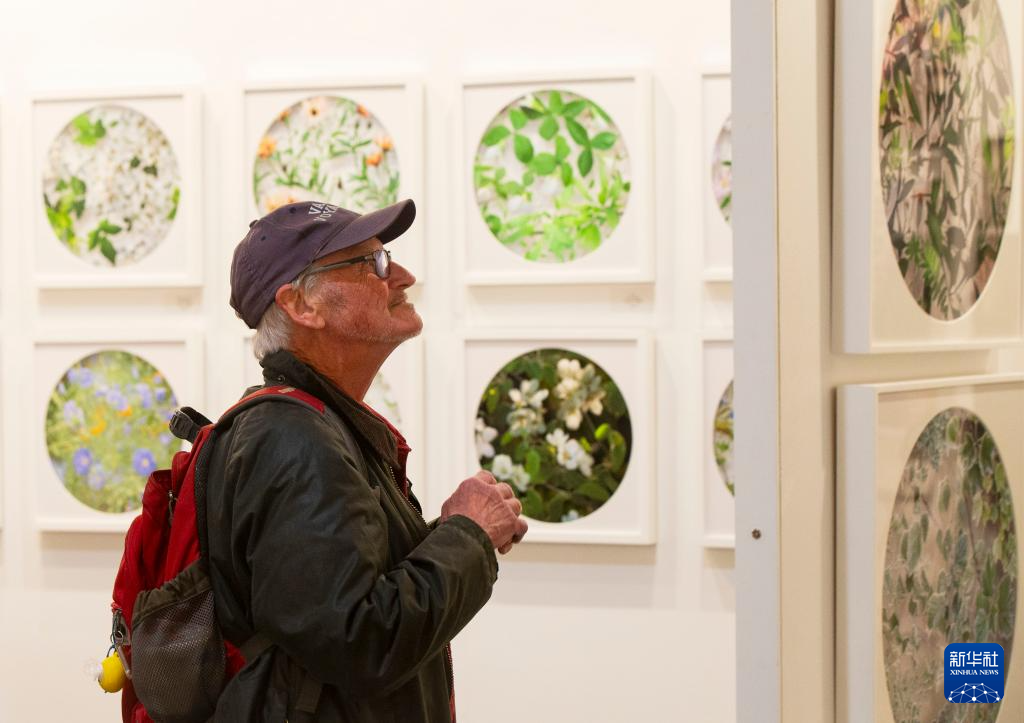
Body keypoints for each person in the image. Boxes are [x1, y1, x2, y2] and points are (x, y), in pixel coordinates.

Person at [206, 198, 528, 721]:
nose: (402, 276)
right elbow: (359, 641)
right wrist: (468, 535)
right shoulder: (292, 438)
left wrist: (461, 531)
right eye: (373, 263)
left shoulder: (314, 425)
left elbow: (342, 592)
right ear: (302, 306)